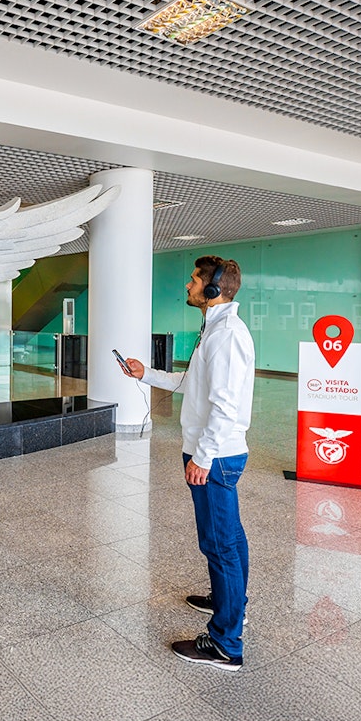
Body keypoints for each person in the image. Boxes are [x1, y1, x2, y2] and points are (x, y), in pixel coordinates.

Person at [121, 256, 254, 671]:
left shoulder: (227, 335)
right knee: (228, 537)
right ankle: (229, 600)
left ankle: (226, 643)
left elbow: (226, 405)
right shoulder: (212, 329)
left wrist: (203, 455)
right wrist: (146, 375)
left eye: (195, 280)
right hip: (213, 452)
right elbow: (189, 383)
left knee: (220, 545)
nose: (188, 286)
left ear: (213, 290)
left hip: (215, 455)